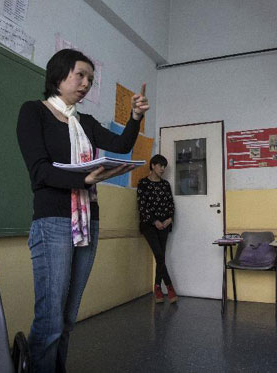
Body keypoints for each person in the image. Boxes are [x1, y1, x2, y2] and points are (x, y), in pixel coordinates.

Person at [16, 49, 149, 373]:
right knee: (50, 320)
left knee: (68, 318)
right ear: (59, 75)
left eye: (91, 78)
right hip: (53, 221)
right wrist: (85, 177)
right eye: (81, 75)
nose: (87, 83)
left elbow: (120, 146)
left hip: (88, 221)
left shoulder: (84, 122)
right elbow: (40, 171)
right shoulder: (34, 112)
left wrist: (134, 117)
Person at [137, 154, 177, 303]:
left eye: (164, 166)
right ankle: (169, 286)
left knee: (161, 257)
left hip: (165, 225)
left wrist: (169, 218)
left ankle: (157, 287)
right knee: (160, 255)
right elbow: (142, 206)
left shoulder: (165, 185)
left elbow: (170, 204)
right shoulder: (143, 183)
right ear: (153, 165)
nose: (163, 169)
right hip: (149, 226)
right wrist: (155, 221)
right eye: (160, 165)